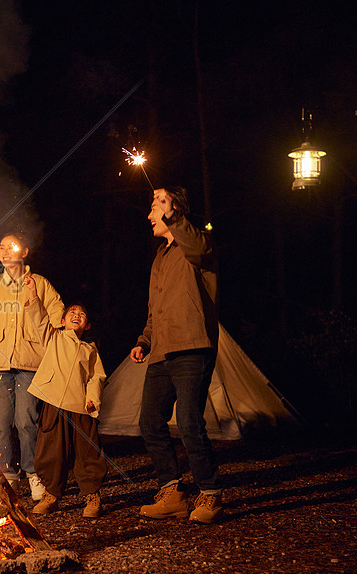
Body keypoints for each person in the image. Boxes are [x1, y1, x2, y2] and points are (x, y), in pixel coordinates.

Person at [130, 186, 222, 524]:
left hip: (192, 345)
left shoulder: (197, 243)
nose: (150, 214)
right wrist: (144, 340)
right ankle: (172, 492)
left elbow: (198, 247)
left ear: (173, 210)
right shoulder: (160, 256)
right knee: (150, 422)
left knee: (188, 421)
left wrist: (172, 212)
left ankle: (210, 494)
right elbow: (155, 310)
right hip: (161, 350)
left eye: (156, 208)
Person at [0, 232, 63, 501]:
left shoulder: (40, 284)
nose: (5, 251)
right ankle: (9, 474)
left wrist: (33, 299)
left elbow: (57, 320)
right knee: (1, 423)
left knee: (26, 421)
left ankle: (32, 473)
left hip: (30, 362)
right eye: (2, 247)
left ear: (25, 251)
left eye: (12, 247)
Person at [22, 282, 108, 517]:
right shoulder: (54, 338)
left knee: (88, 452)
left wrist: (93, 401)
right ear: (62, 320)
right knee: (50, 451)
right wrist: (32, 295)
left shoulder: (90, 349)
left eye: (82, 314)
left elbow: (96, 377)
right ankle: (51, 494)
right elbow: (39, 320)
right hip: (53, 403)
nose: (77, 315)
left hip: (80, 406)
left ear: (87, 324)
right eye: (72, 312)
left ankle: (92, 497)